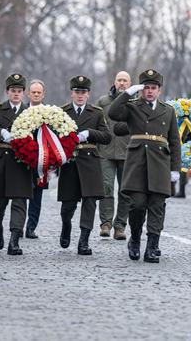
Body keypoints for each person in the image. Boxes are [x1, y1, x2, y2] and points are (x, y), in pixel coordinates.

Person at [108, 69, 181, 263]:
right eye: (146, 88)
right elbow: (113, 113)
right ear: (141, 89)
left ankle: (152, 246)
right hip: (137, 163)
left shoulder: (168, 110)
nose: (149, 91)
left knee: (157, 205)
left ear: (159, 90)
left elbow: (174, 141)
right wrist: (127, 93)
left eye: (153, 88)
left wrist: (175, 168)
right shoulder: (132, 106)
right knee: (138, 204)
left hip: (160, 164)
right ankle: (135, 239)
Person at [0, 73, 33, 255]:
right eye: (13, 91)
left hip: (22, 161)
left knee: (20, 201)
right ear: (7, 92)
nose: (16, 94)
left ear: (23, 93)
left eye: (19, 91)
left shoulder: (31, 112)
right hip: (2, 159)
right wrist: (1, 132)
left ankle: (15, 240)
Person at [58, 76, 111, 255]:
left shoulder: (96, 112)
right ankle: (66, 225)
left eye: (84, 92)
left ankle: (84, 240)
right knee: (67, 206)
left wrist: (90, 133)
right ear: (72, 93)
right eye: (77, 92)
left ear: (88, 94)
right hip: (70, 162)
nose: (80, 96)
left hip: (90, 161)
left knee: (89, 202)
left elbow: (106, 136)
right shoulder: (61, 112)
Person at [94, 71, 132, 239]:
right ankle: (106, 223)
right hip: (106, 151)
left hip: (128, 153)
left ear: (130, 84)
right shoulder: (103, 102)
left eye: (125, 81)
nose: (122, 83)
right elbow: (96, 125)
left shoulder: (135, 103)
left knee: (126, 191)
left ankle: (120, 226)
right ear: (114, 82)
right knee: (106, 187)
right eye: (119, 80)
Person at [24, 79, 48, 239]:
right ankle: (17, 226)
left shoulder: (50, 113)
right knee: (19, 195)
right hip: (22, 159)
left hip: (42, 161)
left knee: (36, 196)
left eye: (39, 92)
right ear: (29, 94)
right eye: (34, 92)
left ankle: (31, 227)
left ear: (43, 94)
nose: (36, 94)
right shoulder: (21, 111)